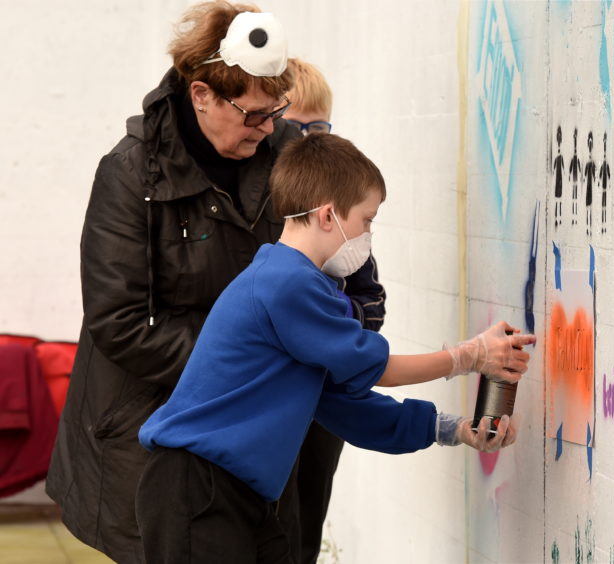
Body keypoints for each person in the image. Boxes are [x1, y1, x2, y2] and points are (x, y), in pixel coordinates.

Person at [44, 4, 377, 563]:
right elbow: (119, 322)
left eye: (276, 111)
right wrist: (248, 363)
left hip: (278, 431)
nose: (268, 128)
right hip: (159, 428)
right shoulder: (130, 175)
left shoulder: (293, 156)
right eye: (252, 115)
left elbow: (354, 274)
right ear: (202, 95)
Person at [135, 132, 536, 563]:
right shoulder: (287, 283)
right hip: (199, 489)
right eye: (366, 219)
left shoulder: (300, 284)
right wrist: (469, 356)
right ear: (328, 216)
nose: (368, 234)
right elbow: (373, 366)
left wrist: (451, 428)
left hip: (237, 493)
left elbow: (342, 404)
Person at [275, 58, 361, 564]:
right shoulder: (262, 205)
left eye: (320, 128)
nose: (307, 141)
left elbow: (370, 292)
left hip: (325, 397)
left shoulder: (341, 204)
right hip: (275, 395)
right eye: (293, 128)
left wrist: (349, 329)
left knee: (308, 520)